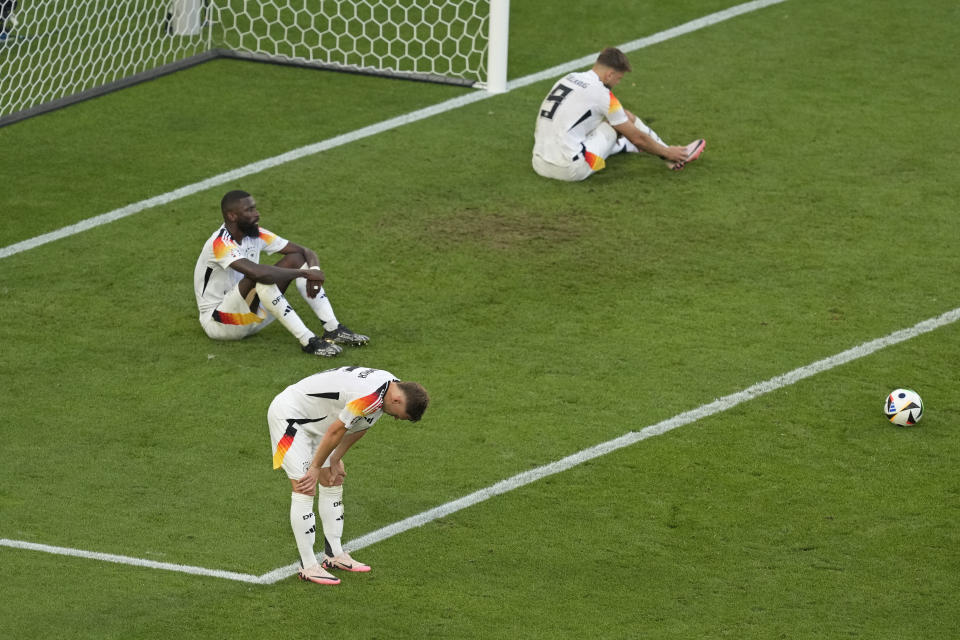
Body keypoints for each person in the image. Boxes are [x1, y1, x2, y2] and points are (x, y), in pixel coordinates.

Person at [268, 365, 430, 585]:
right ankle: (308, 566)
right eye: (400, 417)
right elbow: (337, 430)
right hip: (291, 418)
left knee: (333, 479)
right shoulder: (369, 396)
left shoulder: (389, 388)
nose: (396, 419)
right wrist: (315, 467)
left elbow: (362, 425)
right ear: (398, 402)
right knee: (305, 486)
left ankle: (334, 555)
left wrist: (335, 459)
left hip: (317, 423)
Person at [194, 190, 368, 357]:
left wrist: (314, 271)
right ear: (232, 216)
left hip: (250, 316)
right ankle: (308, 341)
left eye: (255, 208)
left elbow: (305, 251)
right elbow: (257, 273)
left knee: (295, 258)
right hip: (220, 323)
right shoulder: (219, 243)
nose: (257, 214)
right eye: (249, 210)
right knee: (261, 277)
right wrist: (304, 274)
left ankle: (333, 328)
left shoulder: (256, 234)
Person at [532, 46, 706, 182]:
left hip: (538, 162)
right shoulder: (604, 95)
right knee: (625, 119)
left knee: (596, 123)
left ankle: (626, 145)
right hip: (569, 169)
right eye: (619, 78)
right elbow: (638, 137)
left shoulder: (569, 77)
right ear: (610, 74)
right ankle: (672, 156)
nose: (618, 82)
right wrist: (666, 152)